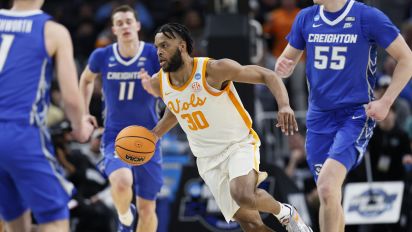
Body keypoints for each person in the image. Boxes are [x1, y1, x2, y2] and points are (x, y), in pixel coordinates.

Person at [142, 22, 312, 232]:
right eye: (157, 47)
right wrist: (154, 134)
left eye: (165, 45)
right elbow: (174, 108)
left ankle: (285, 213)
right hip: (206, 159)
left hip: (237, 144)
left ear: (182, 46)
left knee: (243, 194)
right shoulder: (159, 83)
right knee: (251, 225)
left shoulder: (212, 70)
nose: (159, 51)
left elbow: (267, 75)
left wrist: (284, 105)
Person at [274, 0, 412, 231]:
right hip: (318, 117)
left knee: (327, 186)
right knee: (328, 195)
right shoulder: (306, 17)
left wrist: (386, 101)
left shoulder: (367, 17)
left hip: (355, 115)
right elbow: (287, 59)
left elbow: (407, 58)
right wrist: (283, 66)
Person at [0, 0, 95, 232]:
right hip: (20, 133)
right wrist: (80, 125)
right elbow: (71, 98)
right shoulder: (52, 31)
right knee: (54, 220)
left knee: (16, 220)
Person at [79, 5, 162, 232]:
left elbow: (170, 89)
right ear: (113, 29)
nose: (124, 26)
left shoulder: (153, 54)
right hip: (115, 135)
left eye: (128, 21)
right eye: (119, 23)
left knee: (148, 209)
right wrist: (84, 113)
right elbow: (86, 80)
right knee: (123, 182)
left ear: (137, 25)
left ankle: (133, 218)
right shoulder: (102, 55)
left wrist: (155, 88)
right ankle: (125, 218)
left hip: (149, 136)